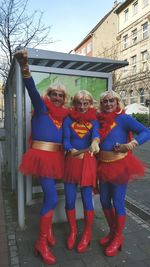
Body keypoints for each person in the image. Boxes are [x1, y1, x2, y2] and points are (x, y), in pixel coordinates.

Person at [15, 50, 69, 265]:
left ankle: (47, 234)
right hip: (41, 157)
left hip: (57, 158)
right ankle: (41, 242)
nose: (57, 97)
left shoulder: (65, 116)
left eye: (61, 95)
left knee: (50, 196)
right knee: (53, 198)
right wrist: (25, 67)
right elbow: (32, 90)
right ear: (49, 95)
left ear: (64, 99)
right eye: (54, 93)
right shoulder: (41, 108)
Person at [96, 90, 150, 257]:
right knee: (104, 200)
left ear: (117, 102)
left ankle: (118, 237)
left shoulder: (124, 118)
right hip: (103, 165)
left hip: (120, 165)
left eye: (112, 100)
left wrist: (132, 144)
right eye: (105, 101)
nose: (108, 104)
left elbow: (146, 132)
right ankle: (113, 232)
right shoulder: (99, 119)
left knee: (118, 202)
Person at [63, 90, 100, 253]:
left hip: (88, 162)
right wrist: (69, 148)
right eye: (79, 103)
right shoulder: (68, 119)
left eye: (86, 103)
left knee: (87, 199)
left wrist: (95, 142)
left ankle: (87, 233)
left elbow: (96, 135)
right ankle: (73, 232)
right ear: (74, 103)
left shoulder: (94, 120)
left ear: (90, 104)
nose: (83, 106)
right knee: (69, 200)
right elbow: (65, 139)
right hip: (71, 161)